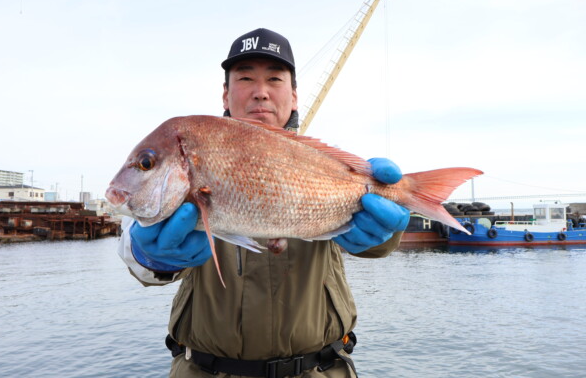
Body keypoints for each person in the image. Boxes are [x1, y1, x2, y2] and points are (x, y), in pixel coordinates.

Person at [118, 28, 410, 378]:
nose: (261, 92)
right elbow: (135, 255)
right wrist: (147, 255)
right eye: (245, 78)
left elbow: (375, 248)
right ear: (225, 95)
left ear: (294, 95)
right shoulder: (190, 156)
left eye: (274, 78)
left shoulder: (323, 164)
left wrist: (387, 233)